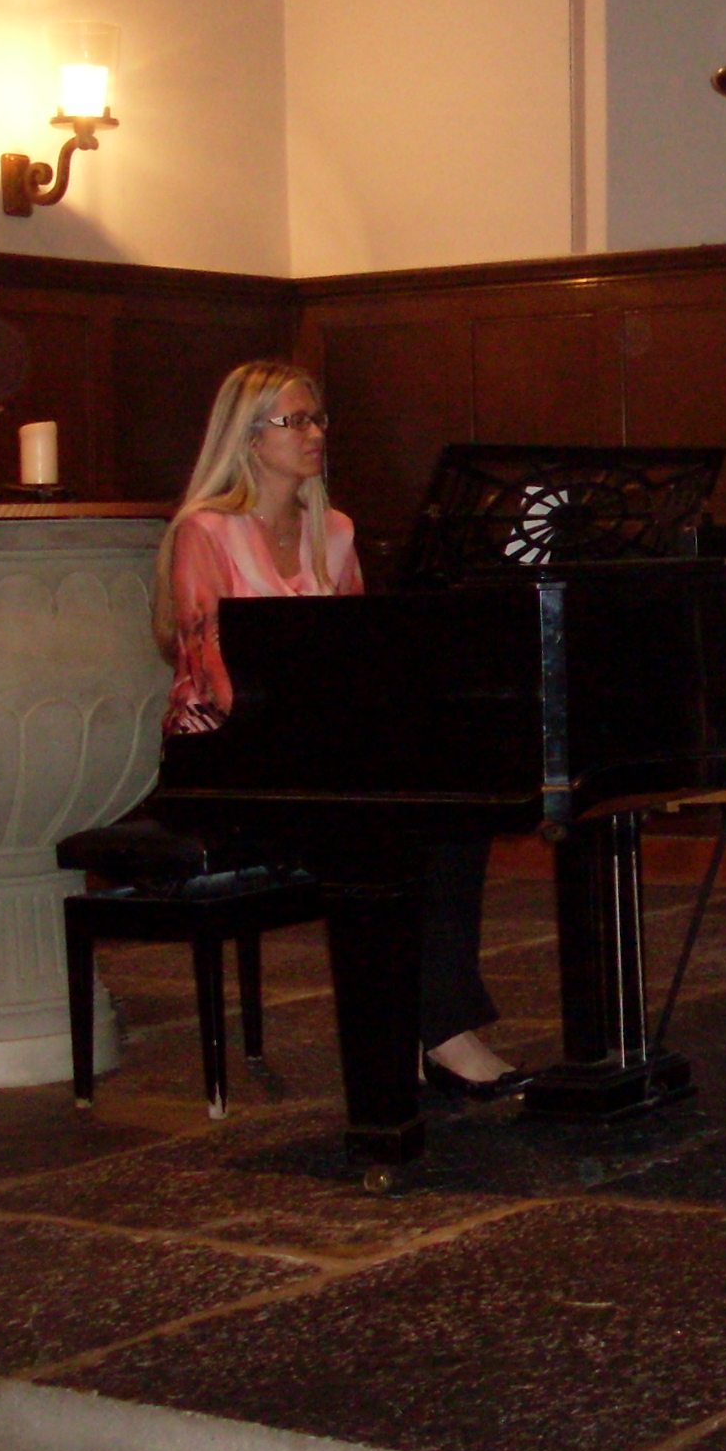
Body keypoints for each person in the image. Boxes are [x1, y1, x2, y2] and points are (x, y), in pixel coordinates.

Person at [155, 360, 526, 1098]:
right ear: (250, 439)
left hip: (318, 750)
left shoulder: (337, 530)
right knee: (401, 824)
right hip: (231, 757)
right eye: (295, 421)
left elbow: (362, 657)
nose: (315, 434)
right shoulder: (206, 531)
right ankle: (431, 1032)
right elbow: (205, 673)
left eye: (319, 419)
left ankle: (434, 1025)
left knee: (455, 811)